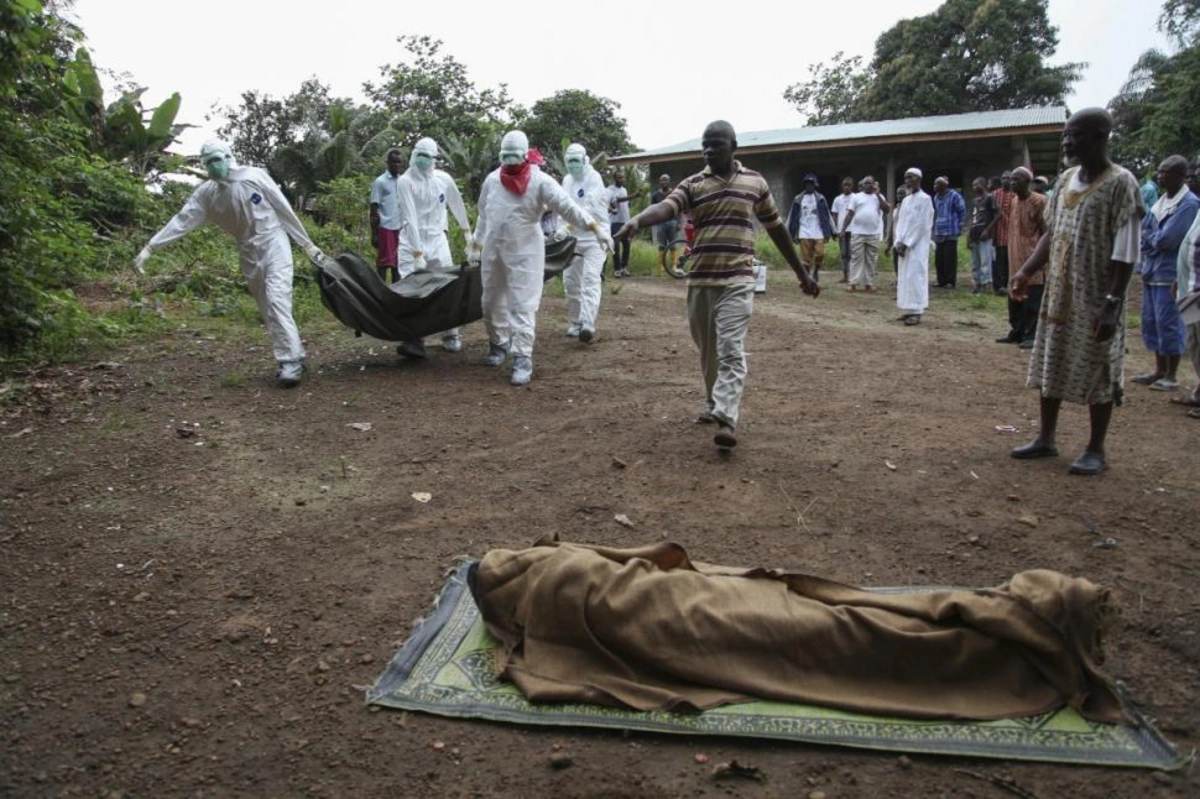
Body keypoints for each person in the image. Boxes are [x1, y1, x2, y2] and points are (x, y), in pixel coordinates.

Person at [614, 121, 819, 450]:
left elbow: (777, 228)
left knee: (730, 351)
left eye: (717, 144)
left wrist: (801, 273)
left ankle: (726, 417)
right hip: (701, 281)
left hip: (737, 280)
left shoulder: (755, 182)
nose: (709, 150)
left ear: (733, 146)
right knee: (708, 352)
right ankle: (714, 402)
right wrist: (637, 220)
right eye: (705, 146)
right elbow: (667, 207)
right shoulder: (694, 183)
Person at [1008, 108, 1144, 476]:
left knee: (1099, 365)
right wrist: (1024, 271)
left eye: (1076, 135)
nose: (1067, 141)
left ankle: (1095, 448)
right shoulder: (1066, 179)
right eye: (1066, 135)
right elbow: (1052, 234)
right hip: (1059, 291)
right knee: (1051, 357)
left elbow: (1127, 250)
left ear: (1101, 136)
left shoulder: (1121, 184)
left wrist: (1114, 303)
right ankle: (1046, 438)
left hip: (1098, 295)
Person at [133, 141, 324, 388]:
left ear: (227, 156)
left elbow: (283, 208)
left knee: (277, 298)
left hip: (274, 242)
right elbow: (182, 220)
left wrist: (307, 244)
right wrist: (151, 247)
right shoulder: (207, 194)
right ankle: (294, 353)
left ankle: (290, 362)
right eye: (208, 162)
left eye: (216, 159)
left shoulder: (255, 176)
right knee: (267, 306)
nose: (214, 165)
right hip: (247, 250)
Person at [469, 131, 612, 386]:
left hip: (525, 252)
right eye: (506, 157)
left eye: (515, 157)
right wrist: (476, 244)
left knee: (521, 305)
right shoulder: (492, 181)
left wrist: (595, 228)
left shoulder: (541, 181)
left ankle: (522, 357)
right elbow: (483, 214)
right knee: (489, 302)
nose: (510, 162)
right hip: (493, 249)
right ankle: (499, 343)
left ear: (525, 156)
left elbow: (568, 207)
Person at [392, 136, 473, 358]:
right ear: (413, 155)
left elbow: (457, 205)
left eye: (429, 157)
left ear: (435, 158)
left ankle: (451, 333)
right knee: (411, 293)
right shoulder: (405, 181)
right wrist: (417, 252)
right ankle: (414, 339)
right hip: (411, 242)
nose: (424, 161)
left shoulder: (443, 180)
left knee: (447, 286)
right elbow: (410, 219)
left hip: (438, 240)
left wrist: (468, 235)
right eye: (421, 155)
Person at [1131, 155, 1199, 392]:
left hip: (1169, 273)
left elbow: (1169, 239)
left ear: (1180, 176)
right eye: (1159, 171)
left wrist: (1150, 240)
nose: (1160, 176)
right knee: (1151, 321)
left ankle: (1171, 375)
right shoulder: (1162, 201)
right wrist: (1151, 240)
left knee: (1169, 322)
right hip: (1152, 270)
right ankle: (1158, 369)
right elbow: (1147, 231)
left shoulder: (1188, 204)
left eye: (1166, 172)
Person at [560, 143, 611, 343]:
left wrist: (568, 227)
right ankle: (576, 321)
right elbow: (562, 205)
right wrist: (560, 229)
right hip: (573, 240)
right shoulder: (566, 180)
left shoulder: (594, 178)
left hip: (595, 237)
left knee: (590, 279)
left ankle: (587, 322)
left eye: (576, 161)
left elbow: (588, 207)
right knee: (571, 281)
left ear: (584, 160)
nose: (573, 165)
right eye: (569, 161)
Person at [996, 167, 1049, 349]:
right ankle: (1017, 332)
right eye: (1011, 179)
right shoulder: (1014, 201)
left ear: (1028, 182)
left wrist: (1042, 258)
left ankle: (1031, 334)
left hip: (1032, 258)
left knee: (1032, 299)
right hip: (1015, 255)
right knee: (1014, 298)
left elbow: (1047, 231)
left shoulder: (1040, 201)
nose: (1012, 183)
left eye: (1016, 180)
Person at [894, 168, 935, 326]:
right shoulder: (906, 200)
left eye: (910, 178)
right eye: (905, 178)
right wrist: (898, 241)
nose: (907, 181)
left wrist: (907, 243)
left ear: (918, 179)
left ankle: (917, 311)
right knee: (905, 277)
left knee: (916, 276)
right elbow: (900, 223)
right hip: (903, 246)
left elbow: (922, 225)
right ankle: (907, 309)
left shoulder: (925, 199)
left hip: (916, 246)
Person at [840, 176, 889, 292]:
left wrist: (877, 194)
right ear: (862, 185)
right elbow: (850, 214)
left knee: (871, 259)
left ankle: (868, 284)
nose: (868, 185)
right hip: (858, 233)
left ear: (874, 184)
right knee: (856, 258)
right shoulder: (856, 197)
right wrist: (843, 229)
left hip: (873, 233)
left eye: (870, 183)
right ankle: (853, 283)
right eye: (866, 184)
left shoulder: (879, 197)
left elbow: (887, 209)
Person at [785, 173, 833, 283]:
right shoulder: (798, 199)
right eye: (807, 184)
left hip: (818, 230)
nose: (809, 186)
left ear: (815, 185)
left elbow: (827, 215)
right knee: (806, 258)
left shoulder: (820, 198)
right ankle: (807, 277)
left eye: (811, 184)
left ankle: (816, 271)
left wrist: (832, 231)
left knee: (820, 254)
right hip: (804, 231)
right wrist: (789, 232)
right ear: (804, 185)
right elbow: (792, 215)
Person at [369, 149, 404, 283]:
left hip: (400, 229)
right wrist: (374, 234)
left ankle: (396, 294)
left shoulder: (403, 181)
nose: (396, 165)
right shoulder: (380, 182)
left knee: (398, 264)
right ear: (388, 163)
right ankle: (381, 293)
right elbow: (373, 208)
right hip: (385, 228)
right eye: (393, 162)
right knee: (383, 264)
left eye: (399, 162)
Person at [932, 177, 966, 288]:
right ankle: (941, 280)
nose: (934, 186)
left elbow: (962, 210)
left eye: (937, 184)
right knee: (939, 258)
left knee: (949, 258)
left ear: (944, 185)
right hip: (939, 231)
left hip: (951, 230)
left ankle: (950, 281)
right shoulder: (936, 197)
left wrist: (961, 224)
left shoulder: (955, 196)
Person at [606, 171, 641, 277]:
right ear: (614, 178)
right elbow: (617, 200)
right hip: (615, 222)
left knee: (626, 244)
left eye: (622, 178)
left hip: (626, 221)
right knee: (615, 246)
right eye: (619, 178)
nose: (621, 179)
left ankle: (624, 267)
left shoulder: (624, 190)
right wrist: (634, 196)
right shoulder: (610, 190)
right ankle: (617, 269)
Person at [967, 177, 999, 294]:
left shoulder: (990, 198)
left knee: (985, 260)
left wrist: (988, 230)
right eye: (973, 186)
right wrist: (968, 235)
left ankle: (986, 284)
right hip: (974, 234)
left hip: (985, 235)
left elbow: (998, 214)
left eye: (977, 185)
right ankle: (977, 283)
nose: (974, 188)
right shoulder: (975, 201)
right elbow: (972, 218)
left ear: (983, 185)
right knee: (975, 262)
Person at [651, 174, 682, 276]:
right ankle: (661, 268)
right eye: (662, 180)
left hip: (672, 222)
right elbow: (652, 210)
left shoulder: (674, 193)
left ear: (669, 181)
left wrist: (679, 222)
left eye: (666, 180)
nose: (664, 182)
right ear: (660, 182)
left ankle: (674, 266)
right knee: (661, 246)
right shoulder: (655, 195)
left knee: (673, 245)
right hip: (660, 223)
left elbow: (679, 208)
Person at [992, 172, 1016, 296]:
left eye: (1008, 178)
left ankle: (1005, 285)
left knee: (1007, 261)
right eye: (1003, 178)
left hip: (1010, 235)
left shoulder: (1015, 195)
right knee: (996, 261)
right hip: (997, 234)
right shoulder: (995, 194)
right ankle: (997, 285)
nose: (1005, 181)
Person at [830, 177, 855, 282]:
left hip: (854, 230)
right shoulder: (837, 199)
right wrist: (834, 229)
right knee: (844, 253)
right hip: (842, 231)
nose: (846, 187)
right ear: (842, 186)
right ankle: (845, 275)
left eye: (849, 185)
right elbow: (834, 215)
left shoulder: (856, 198)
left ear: (852, 186)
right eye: (845, 185)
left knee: (852, 253)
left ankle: (853, 275)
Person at [885, 186, 908, 283]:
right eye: (898, 193)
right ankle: (899, 280)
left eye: (902, 193)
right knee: (896, 263)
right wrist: (889, 242)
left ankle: (905, 281)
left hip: (904, 241)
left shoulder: (908, 209)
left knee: (905, 263)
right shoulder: (895, 210)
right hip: (895, 240)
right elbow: (892, 225)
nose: (899, 196)